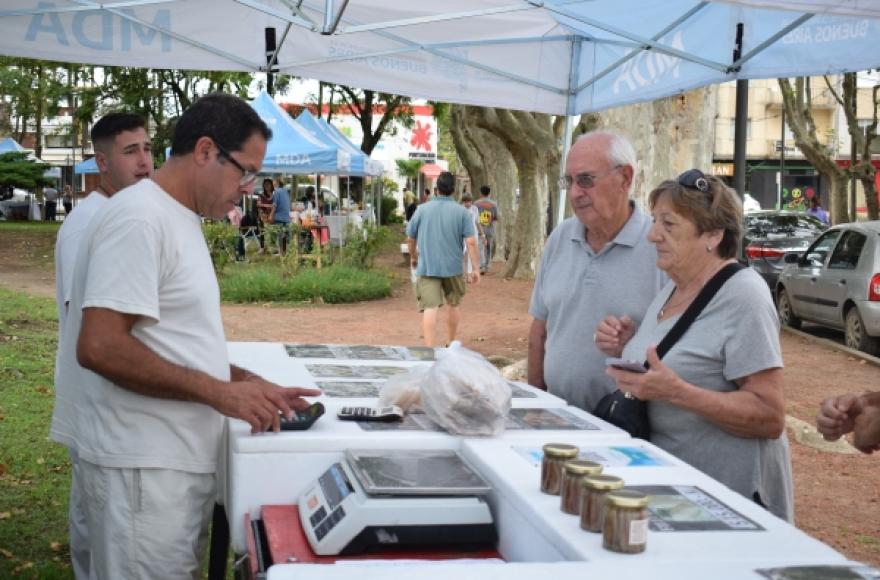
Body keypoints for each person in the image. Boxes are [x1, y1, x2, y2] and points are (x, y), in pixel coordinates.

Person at [51, 93, 321, 578]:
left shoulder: (175, 216)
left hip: (164, 468)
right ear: (204, 151)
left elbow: (170, 341)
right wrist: (219, 392)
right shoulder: (139, 218)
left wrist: (243, 380)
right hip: (144, 474)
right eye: (244, 171)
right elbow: (100, 346)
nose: (248, 187)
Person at [598, 169, 793, 522]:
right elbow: (681, 355)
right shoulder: (673, 287)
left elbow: (770, 416)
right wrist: (627, 346)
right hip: (673, 496)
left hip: (727, 507)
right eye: (655, 221)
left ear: (713, 235)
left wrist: (677, 392)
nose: (652, 235)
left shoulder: (743, 295)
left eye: (668, 225)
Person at [53, 111, 153, 579]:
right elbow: (90, 325)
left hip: (112, 405)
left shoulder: (121, 214)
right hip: (96, 402)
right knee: (98, 527)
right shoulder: (86, 225)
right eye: (130, 152)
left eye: (148, 149)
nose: (145, 162)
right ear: (102, 162)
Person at [528, 131, 666, 411]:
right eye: (569, 181)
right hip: (555, 416)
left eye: (586, 180)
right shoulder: (560, 238)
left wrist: (632, 344)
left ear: (625, 178)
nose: (575, 193)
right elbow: (539, 331)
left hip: (624, 427)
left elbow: (681, 349)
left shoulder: (659, 246)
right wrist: (535, 404)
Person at [406, 171, 480, 347]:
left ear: (436, 189)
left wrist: (413, 257)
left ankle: (429, 350)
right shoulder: (462, 212)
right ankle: (451, 343)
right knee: (454, 304)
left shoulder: (422, 209)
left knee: (430, 308)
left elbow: (410, 238)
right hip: (453, 267)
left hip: (428, 266)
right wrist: (476, 269)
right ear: (454, 190)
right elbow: (470, 242)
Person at [474, 185, 499, 274]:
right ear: (489, 193)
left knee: (480, 247)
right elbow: (496, 217)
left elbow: (474, 216)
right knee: (489, 247)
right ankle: (488, 265)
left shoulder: (476, 204)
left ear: (481, 193)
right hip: (490, 228)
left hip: (479, 229)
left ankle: (482, 265)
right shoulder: (493, 204)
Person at [461, 192, 481, 274]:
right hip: (462, 234)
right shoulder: (460, 209)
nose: (467, 203)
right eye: (465, 202)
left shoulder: (475, 209)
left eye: (469, 201)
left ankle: (469, 272)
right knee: (464, 252)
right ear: (463, 202)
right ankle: (463, 271)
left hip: (473, 234)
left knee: (471, 253)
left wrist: (482, 234)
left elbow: (477, 222)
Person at [270, 176, 292, 254]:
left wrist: (271, 216)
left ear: (277, 183)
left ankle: (281, 252)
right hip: (286, 217)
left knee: (280, 235)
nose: (272, 183)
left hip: (279, 217)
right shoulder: (285, 191)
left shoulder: (277, 192)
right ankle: (285, 251)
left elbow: (274, 205)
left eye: (273, 182)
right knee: (285, 235)